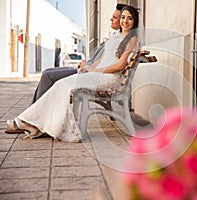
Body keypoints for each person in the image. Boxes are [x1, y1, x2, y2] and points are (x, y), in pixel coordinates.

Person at [7, 5, 139, 142]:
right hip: (98, 74)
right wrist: (88, 68)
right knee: (61, 84)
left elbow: (120, 65)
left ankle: (31, 122)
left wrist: (96, 70)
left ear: (134, 21)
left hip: (109, 78)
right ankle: (32, 122)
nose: (125, 21)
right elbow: (100, 60)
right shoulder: (115, 36)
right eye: (123, 17)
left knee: (64, 85)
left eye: (129, 19)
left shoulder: (131, 39)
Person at [31, 3, 127, 104]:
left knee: (48, 76)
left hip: (91, 73)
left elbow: (108, 62)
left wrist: (88, 66)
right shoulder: (115, 36)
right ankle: (32, 111)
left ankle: (34, 113)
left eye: (114, 17)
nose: (111, 19)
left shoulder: (123, 40)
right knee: (47, 72)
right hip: (89, 68)